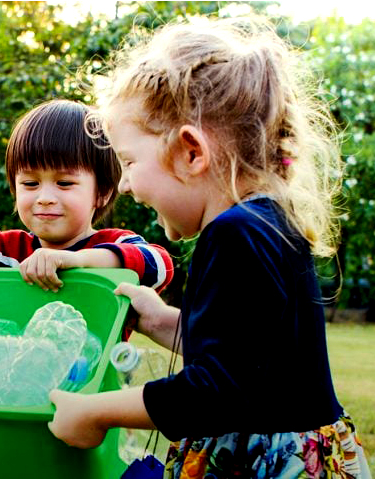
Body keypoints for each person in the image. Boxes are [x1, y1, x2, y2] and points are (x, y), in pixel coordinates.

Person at [48, 16, 372, 479]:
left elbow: (216, 392)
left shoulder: (234, 234)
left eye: (129, 162)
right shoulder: (272, 221)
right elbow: (254, 360)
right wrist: (162, 321)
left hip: (257, 464)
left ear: (191, 152)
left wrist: (95, 411)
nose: (126, 185)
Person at [0, 99, 174, 294]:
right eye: (30, 183)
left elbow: (160, 265)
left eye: (64, 182)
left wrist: (76, 261)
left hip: (95, 369)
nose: (44, 197)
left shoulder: (113, 244)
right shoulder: (5, 252)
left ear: (102, 192)